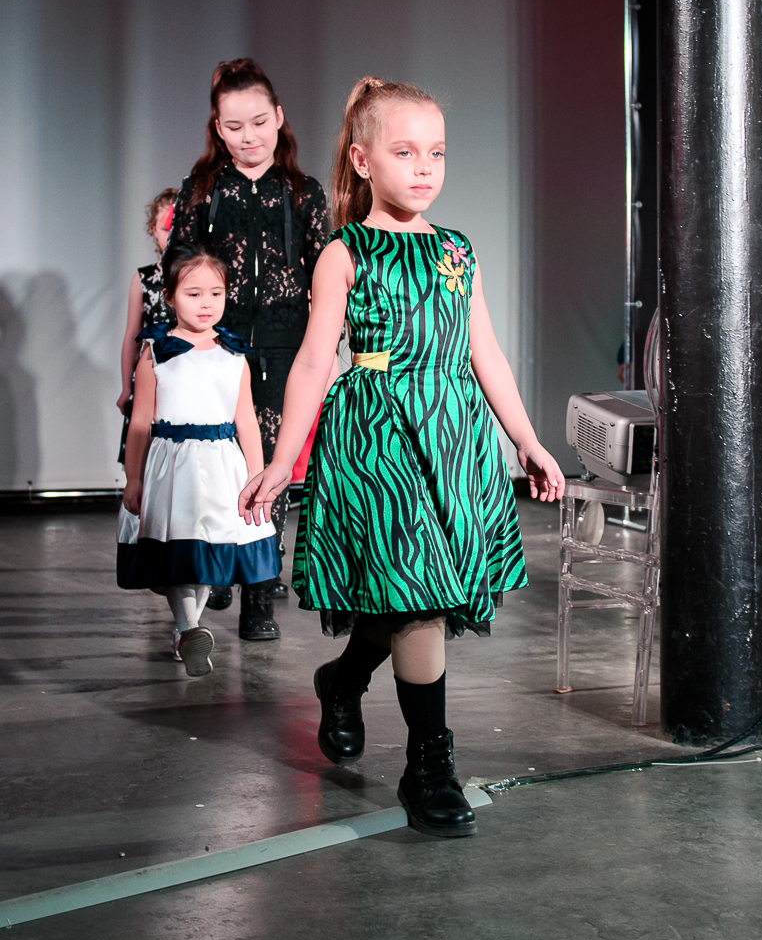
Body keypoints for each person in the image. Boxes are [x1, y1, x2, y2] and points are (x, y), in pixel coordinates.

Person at [240, 76, 565, 839]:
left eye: (437, 153)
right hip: (378, 434)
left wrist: (527, 439)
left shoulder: (456, 250)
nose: (425, 167)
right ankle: (430, 766)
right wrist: (284, 462)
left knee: (413, 595)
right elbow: (314, 362)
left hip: (450, 435)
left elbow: (485, 353)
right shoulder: (344, 252)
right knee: (417, 596)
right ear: (362, 160)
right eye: (405, 152)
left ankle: (342, 680)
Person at [167, 58, 330, 640]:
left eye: (259, 122)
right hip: (220, 349)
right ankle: (221, 566)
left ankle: (259, 594)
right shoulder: (204, 189)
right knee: (221, 464)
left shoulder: (304, 193)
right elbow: (177, 263)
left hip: (287, 351)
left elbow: (327, 275)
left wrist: (327, 347)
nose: (249, 136)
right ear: (218, 128)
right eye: (234, 126)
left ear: (279, 118)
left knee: (271, 470)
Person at [117, 248, 279, 678]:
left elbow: (247, 420)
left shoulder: (233, 353)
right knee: (178, 550)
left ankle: (187, 631)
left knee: (208, 552)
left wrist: (257, 475)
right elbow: (140, 422)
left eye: (215, 293)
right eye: (193, 294)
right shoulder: (156, 351)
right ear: (170, 297)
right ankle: (189, 628)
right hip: (172, 465)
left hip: (221, 463)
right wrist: (133, 477)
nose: (206, 303)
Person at [115, 188, 178, 464]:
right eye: (165, 228)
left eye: (178, 226)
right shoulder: (144, 279)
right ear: (154, 229)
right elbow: (132, 336)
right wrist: (126, 388)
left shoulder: (201, 276)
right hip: (151, 374)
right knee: (145, 455)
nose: (172, 234)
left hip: (188, 373)